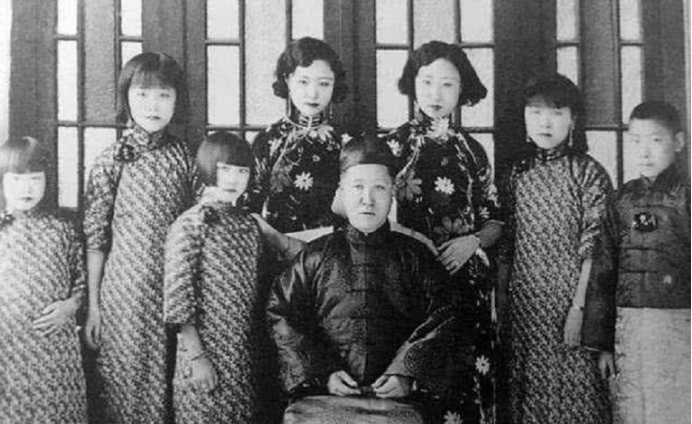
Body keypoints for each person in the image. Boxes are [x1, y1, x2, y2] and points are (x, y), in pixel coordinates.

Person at [266, 134, 459, 424]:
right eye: (357, 187)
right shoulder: (315, 256)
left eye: (379, 187)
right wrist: (323, 373)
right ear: (342, 191)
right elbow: (280, 311)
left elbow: (445, 314)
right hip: (323, 399)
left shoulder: (416, 256)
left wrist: (405, 372)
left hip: (396, 402)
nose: (367, 199)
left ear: (393, 192)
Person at [381, 40, 502, 423]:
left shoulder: (472, 150)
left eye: (448, 84)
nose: (436, 93)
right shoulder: (390, 146)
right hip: (409, 284)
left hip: (467, 283)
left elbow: (495, 220)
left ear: (462, 88)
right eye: (427, 82)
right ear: (412, 84)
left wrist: (473, 241)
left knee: (467, 385)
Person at [83, 52, 200, 423]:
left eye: (164, 95)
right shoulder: (111, 160)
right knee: (124, 385)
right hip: (124, 295)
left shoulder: (186, 158)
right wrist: (94, 306)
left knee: (175, 386)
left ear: (177, 100)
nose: (153, 105)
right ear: (126, 97)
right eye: (143, 94)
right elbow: (96, 239)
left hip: (175, 289)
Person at [498, 74, 615, 423]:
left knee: (580, 398)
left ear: (573, 119)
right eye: (535, 113)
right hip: (525, 309)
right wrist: (501, 305)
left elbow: (595, 249)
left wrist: (579, 309)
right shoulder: (515, 174)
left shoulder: (589, 174)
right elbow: (506, 246)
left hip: (572, 306)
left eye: (556, 112)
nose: (545, 123)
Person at [164, 131, 270, 423]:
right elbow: (178, 301)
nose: (234, 179)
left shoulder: (249, 225)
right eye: (225, 169)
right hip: (201, 352)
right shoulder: (189, 224)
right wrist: (198, 359)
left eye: (242, 171)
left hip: (242, 354)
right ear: (208, 168)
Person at [603, 101, 690, 424]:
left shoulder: (686, 197)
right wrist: (603, 345)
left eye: (655, 140)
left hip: (679, 323)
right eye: (636, 140)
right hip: (628, 325)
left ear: (678, 142)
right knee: (631, 406)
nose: (644, 151)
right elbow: (603, 271)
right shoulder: (621, 200)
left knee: (673, 406)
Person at [0, 136, 88, 423]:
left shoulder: (61, 229)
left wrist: (71, 306)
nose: (26, 188)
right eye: (16, 180)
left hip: (55, 345)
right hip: (9, 345)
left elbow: (81, 278)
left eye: (35, 179)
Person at [248, 36, 350, 261]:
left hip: (335, 257)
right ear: (287, 80)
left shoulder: (346, 141)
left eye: (324, 83)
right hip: (277, 255)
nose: (313, 93)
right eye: (303, 82)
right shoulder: (267, 141)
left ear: (334, 85)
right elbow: (248, 208)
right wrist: (282, 243)